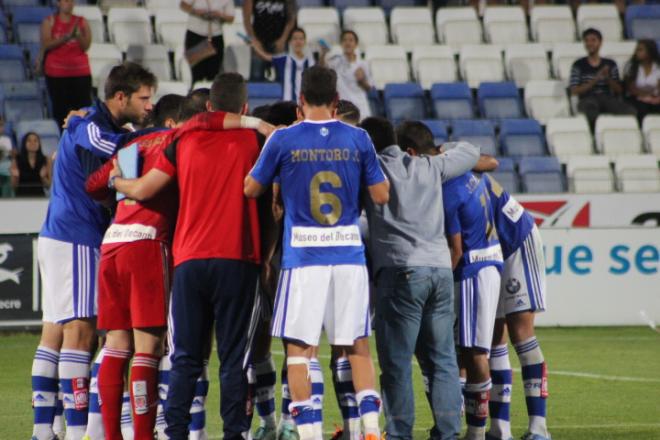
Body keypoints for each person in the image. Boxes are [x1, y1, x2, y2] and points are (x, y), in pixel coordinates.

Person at [110, 72, 274, 440]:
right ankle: (234, 434)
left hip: (188, 261)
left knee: (184, 358)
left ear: (210, 106)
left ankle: (177, 433)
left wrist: (116, 181)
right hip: (237, 258)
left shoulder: (183, 139)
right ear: (244, 108)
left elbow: (144, 188)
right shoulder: (254, 141)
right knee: (233, 361)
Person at [244, 65, 390, 440]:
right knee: (357, 347)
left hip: (303, 257)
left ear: (301, 101)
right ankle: (371, 429)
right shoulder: (358, 139)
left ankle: (309, 434)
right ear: (338, 100)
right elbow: (381, 195)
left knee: (299, 351)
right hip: (348, 254)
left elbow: (251, 189)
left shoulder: (284, 139)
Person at [30, 62, 156, 440]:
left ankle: (44, 430)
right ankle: (79, 430)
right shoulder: (91, 128)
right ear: (121, 97)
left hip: (59, 235)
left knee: (54, 331)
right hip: (77, 237)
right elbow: (115, 149)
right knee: (81, 334)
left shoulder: (93, 124)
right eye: (144, 98)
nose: (149, 105)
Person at [358, 119, 479, 440]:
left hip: (402, 273)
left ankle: (398, 435)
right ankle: (449, 434)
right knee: (443, 362)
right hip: (439, 271)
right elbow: (471, 151)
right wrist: (442, 151)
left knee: (396, 366)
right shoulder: (429, 165)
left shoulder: (371, 170)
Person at [472, 172, 550, 440]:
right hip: (490, 250)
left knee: (521, 332)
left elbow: (487, 161)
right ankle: (500, 428)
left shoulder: (451, 170)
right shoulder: (450, 168)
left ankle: (539, 429)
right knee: (493, 337)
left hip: (516, 241)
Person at [441, 153, 503, 440]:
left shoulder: (450, 190)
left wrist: (440, 281)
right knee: (468, 351)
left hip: (472, 272)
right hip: (488, 264)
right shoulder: (474, 180)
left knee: (475, 352)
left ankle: (476, 431)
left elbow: (456, 249)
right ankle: (476, 428)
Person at [569, 28, 636, 129]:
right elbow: (574, 90)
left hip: (607, 98)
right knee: (591, 113)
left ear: (600, 43)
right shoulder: (578, 65)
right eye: (586, 40)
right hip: (587, 99)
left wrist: (607, 78)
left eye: (593, 40)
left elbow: (619, 89)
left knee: (629, 111)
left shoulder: (610, 64)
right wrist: (596, 79)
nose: (589, 43)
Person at [40, 0, 93, 129]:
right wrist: (66, 37)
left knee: (83, 111)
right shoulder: (49, 21)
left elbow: (86, 46)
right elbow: (46, 44)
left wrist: (78, 35)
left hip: (80, 73)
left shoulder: (81, 22)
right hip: (57, 74)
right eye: (64, 0)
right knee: (60, 112)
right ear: (58, 3)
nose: (68, 3)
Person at [251, 27, 315, 103]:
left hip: (306, 105)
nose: (298, 42)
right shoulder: (285, 59)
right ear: (290, 42)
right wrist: (254, 47)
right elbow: (266, 57)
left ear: (305, 41)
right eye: (295, 39)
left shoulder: (310, 62)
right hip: (287, 104)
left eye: (301, 39)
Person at [320, 31, 372, 120]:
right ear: (341, 44)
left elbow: (369, 88)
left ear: (356, 44)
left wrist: (362, 80)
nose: (347, 42)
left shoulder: (363, 64)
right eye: (345, 40)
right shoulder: (335, 61)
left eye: (351, 40)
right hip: (343, 109)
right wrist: (324, 53)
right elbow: (321, 70)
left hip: (361, 108)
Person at [180, 0, 235, 83]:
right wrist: (197, 12)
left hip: (215, 36)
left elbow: (231, 18)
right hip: (195, 34)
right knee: (195, 72)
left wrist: (219, 15)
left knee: (213, 73)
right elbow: (183, 5)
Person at [243, 0, 297, 81]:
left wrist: (283, 39)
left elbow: (291, 19)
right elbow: (246, 19)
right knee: (256, 76)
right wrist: (254, 40)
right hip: (258, 41)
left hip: (280, 41)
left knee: (283, 76)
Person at [624, 39, 660, 123]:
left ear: (649, 52)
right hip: (635, 98)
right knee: (642, 108)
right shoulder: (631, 67)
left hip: (653, 98)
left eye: (640, 50)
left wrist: (654, 98)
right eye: (637, 49)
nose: (637, 52)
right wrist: (645, 96)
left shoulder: (657, 67)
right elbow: (631, 88)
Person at [10, 132, 51, 197]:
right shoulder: (16, 160)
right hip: (21, 198)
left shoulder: (46, 160)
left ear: (39, 144)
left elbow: (49, 186)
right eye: (29, 140)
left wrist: (43, 178)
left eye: (35, 141)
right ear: (24, 143)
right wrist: (16, 177)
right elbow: (13, 187)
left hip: (39, 198)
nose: (33, 143)